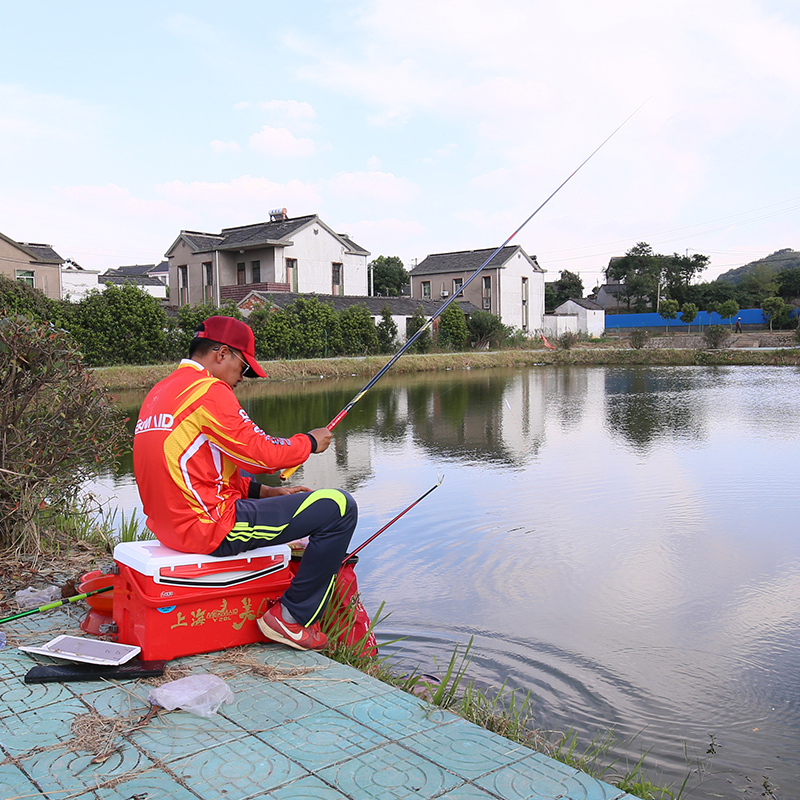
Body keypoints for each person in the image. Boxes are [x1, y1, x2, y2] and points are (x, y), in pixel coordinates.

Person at [133, 316, 357, 651]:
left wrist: (266, 493)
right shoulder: (208, 391)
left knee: (313, 508)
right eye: (244, 366)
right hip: (208, 528)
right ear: (222, 354)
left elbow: (204, 467)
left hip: (171, 527)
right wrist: (308, 442)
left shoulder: (161, 392)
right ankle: (291, 618)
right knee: (340, 508)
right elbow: (260, 454)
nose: (243, 378)